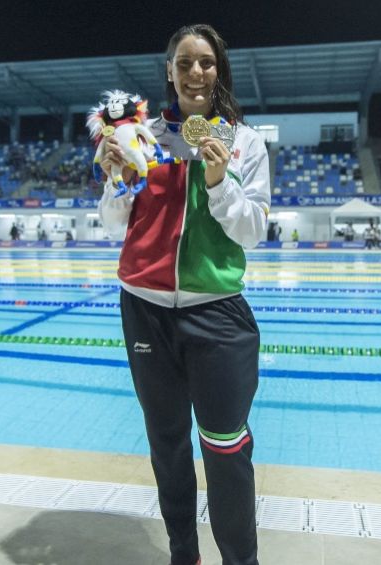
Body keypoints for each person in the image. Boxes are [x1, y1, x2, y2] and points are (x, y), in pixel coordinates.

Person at [98, 24, 267, 565]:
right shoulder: (140, 136)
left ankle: (240, 560)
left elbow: (253, 231)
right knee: (168, 446)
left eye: (207, 62)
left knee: (225, 450)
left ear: (220, 71)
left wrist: (219, 181)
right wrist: (114, 181)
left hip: (216, 315)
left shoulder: (245, 141)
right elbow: (112, 226)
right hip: (144, 310)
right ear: (169, 71)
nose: (196, 72)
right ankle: (183, 555)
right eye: (185, 62)